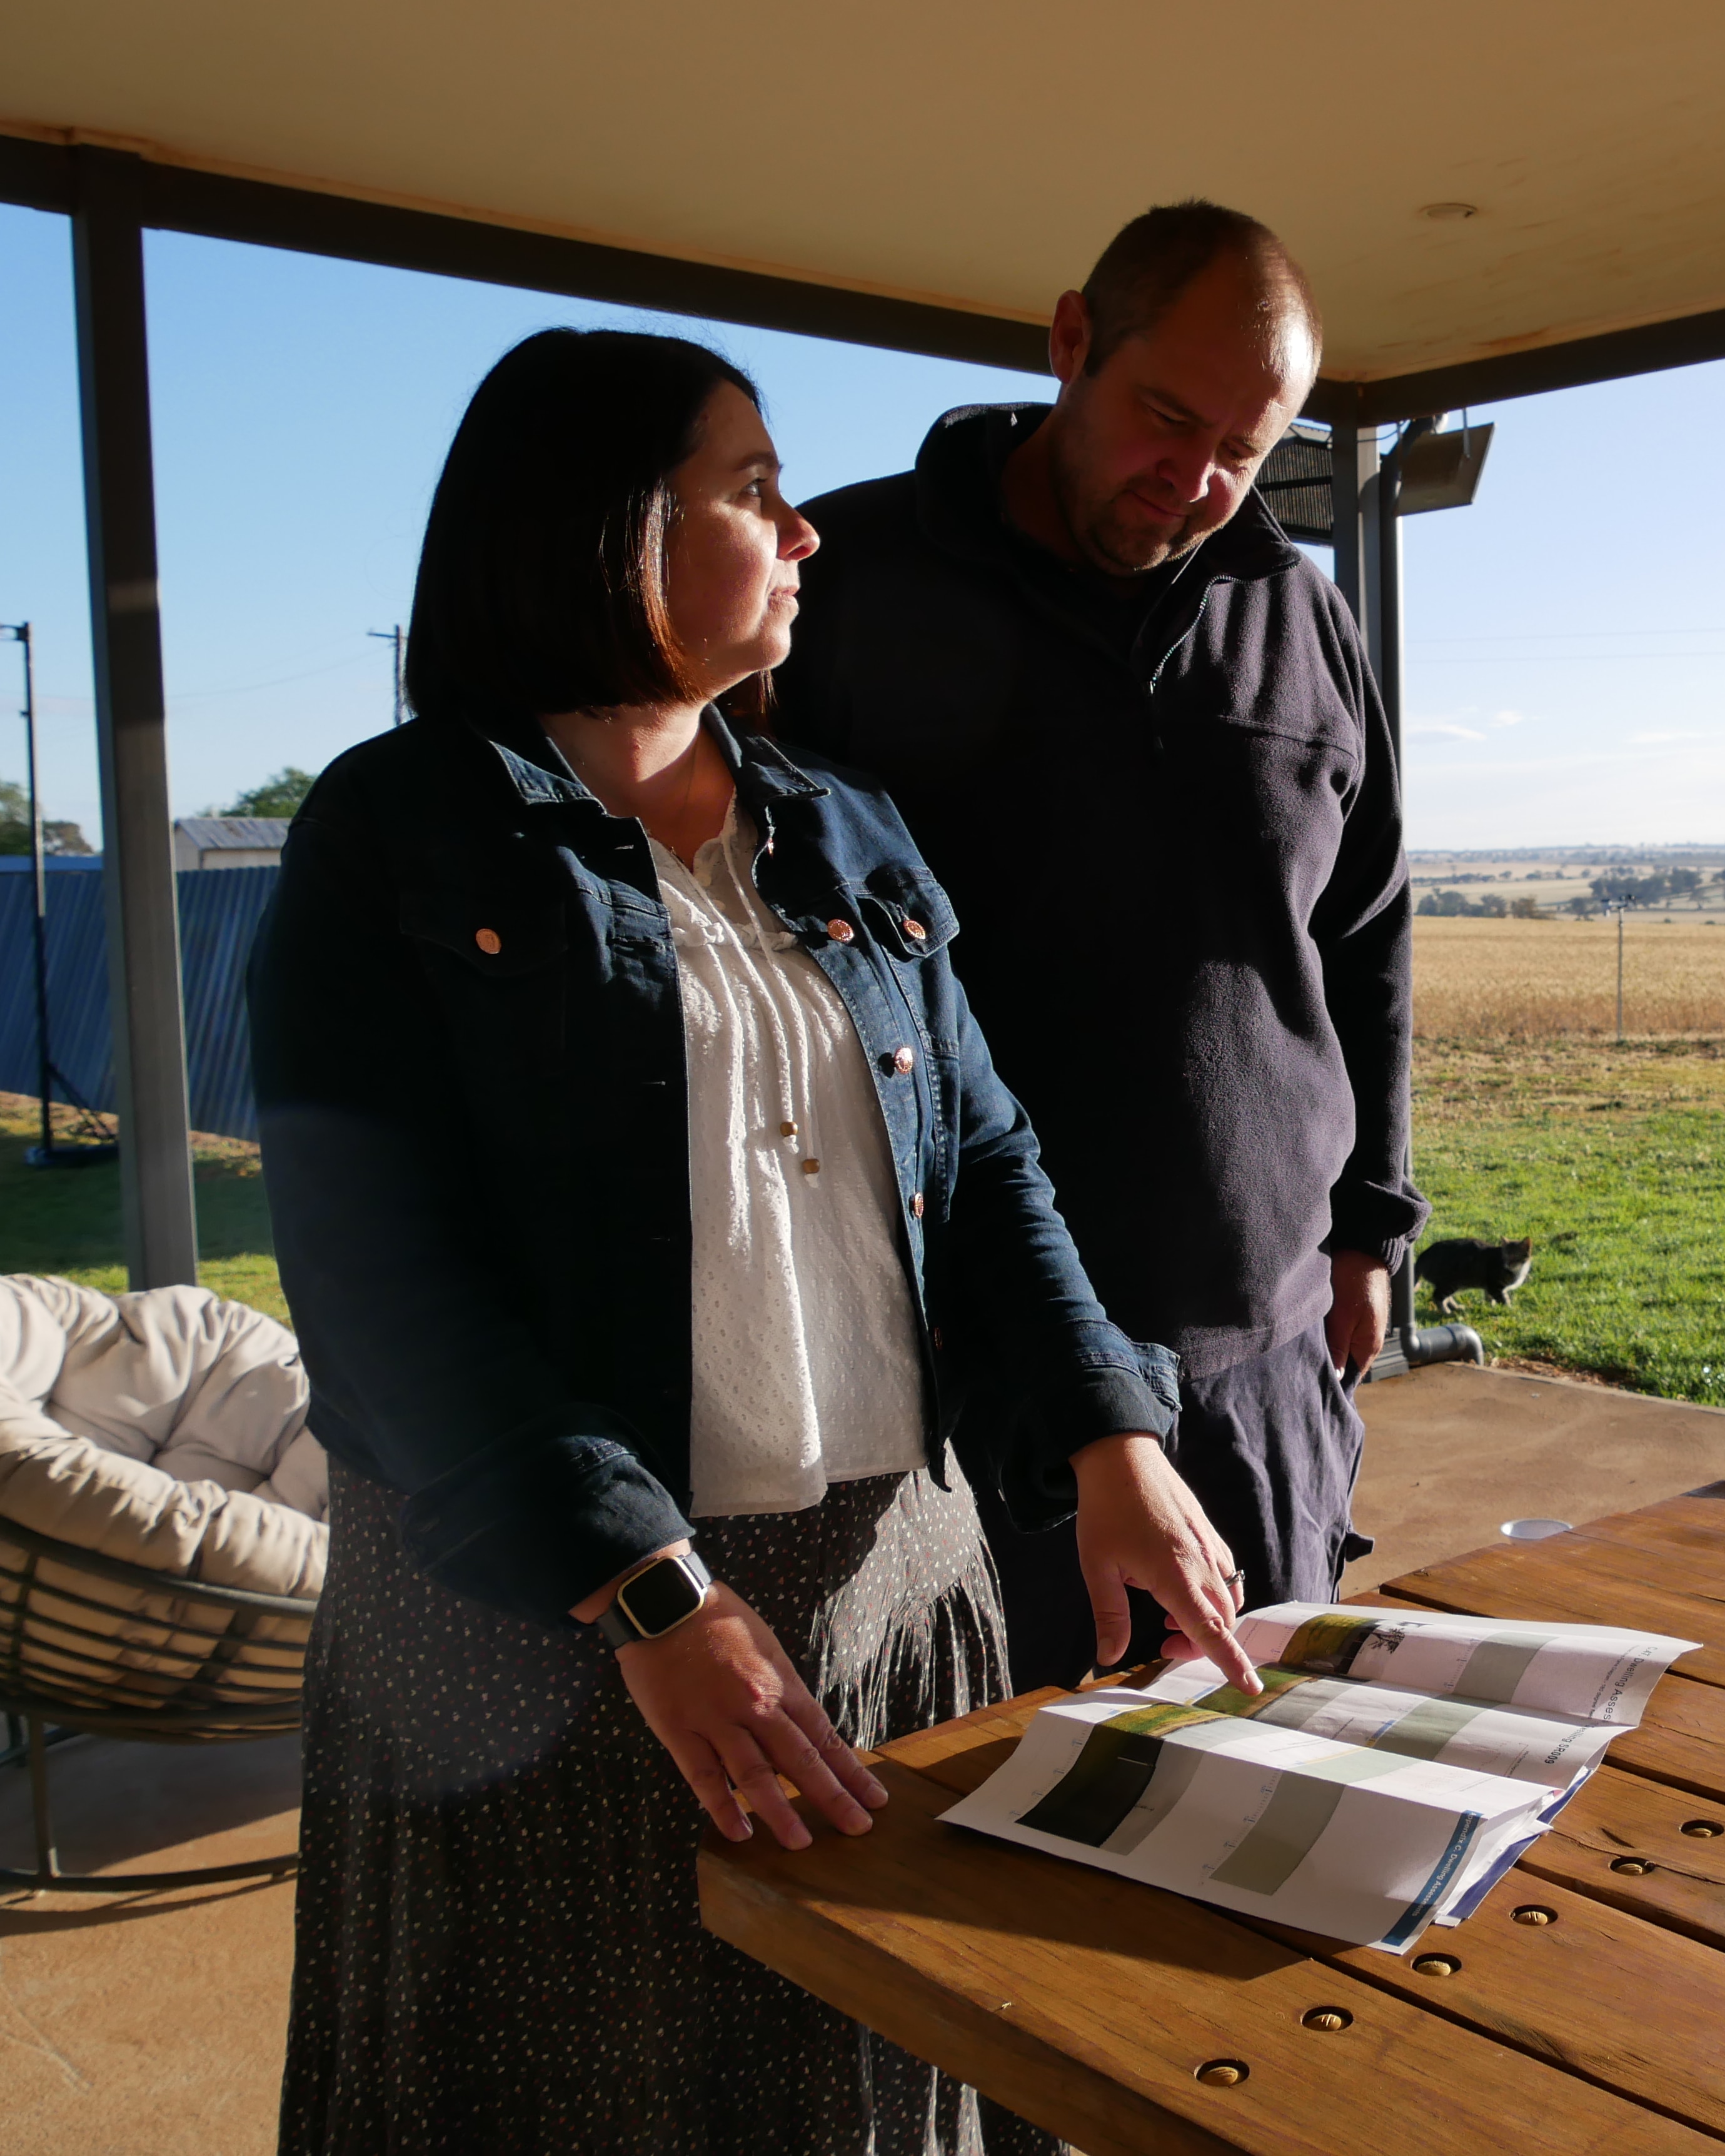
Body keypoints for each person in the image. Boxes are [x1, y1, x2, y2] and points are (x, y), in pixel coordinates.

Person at [256, 328, 1255, 2156]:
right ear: (603, 522)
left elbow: (994, 1164)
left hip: (882, 1608)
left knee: (852, 2099)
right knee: (572, 2101)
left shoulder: (845, 827)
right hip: (546, 1648)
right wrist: (650, 1591)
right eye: (753, 488)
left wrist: (1113, 1434)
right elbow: (378, 1275)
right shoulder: (397, 836)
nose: (806, 534)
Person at [775, 202, 1425, 1691]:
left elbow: (1366, 926)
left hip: (1263, 1349)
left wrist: (1371, 1222)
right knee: (981, 1829)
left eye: (1243, 450)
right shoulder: (846, 580)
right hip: (956, 1370)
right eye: (1164, 416)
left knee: (1257, 1782)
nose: (1193, 481)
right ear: (1070, 340)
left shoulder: (1303, 616)